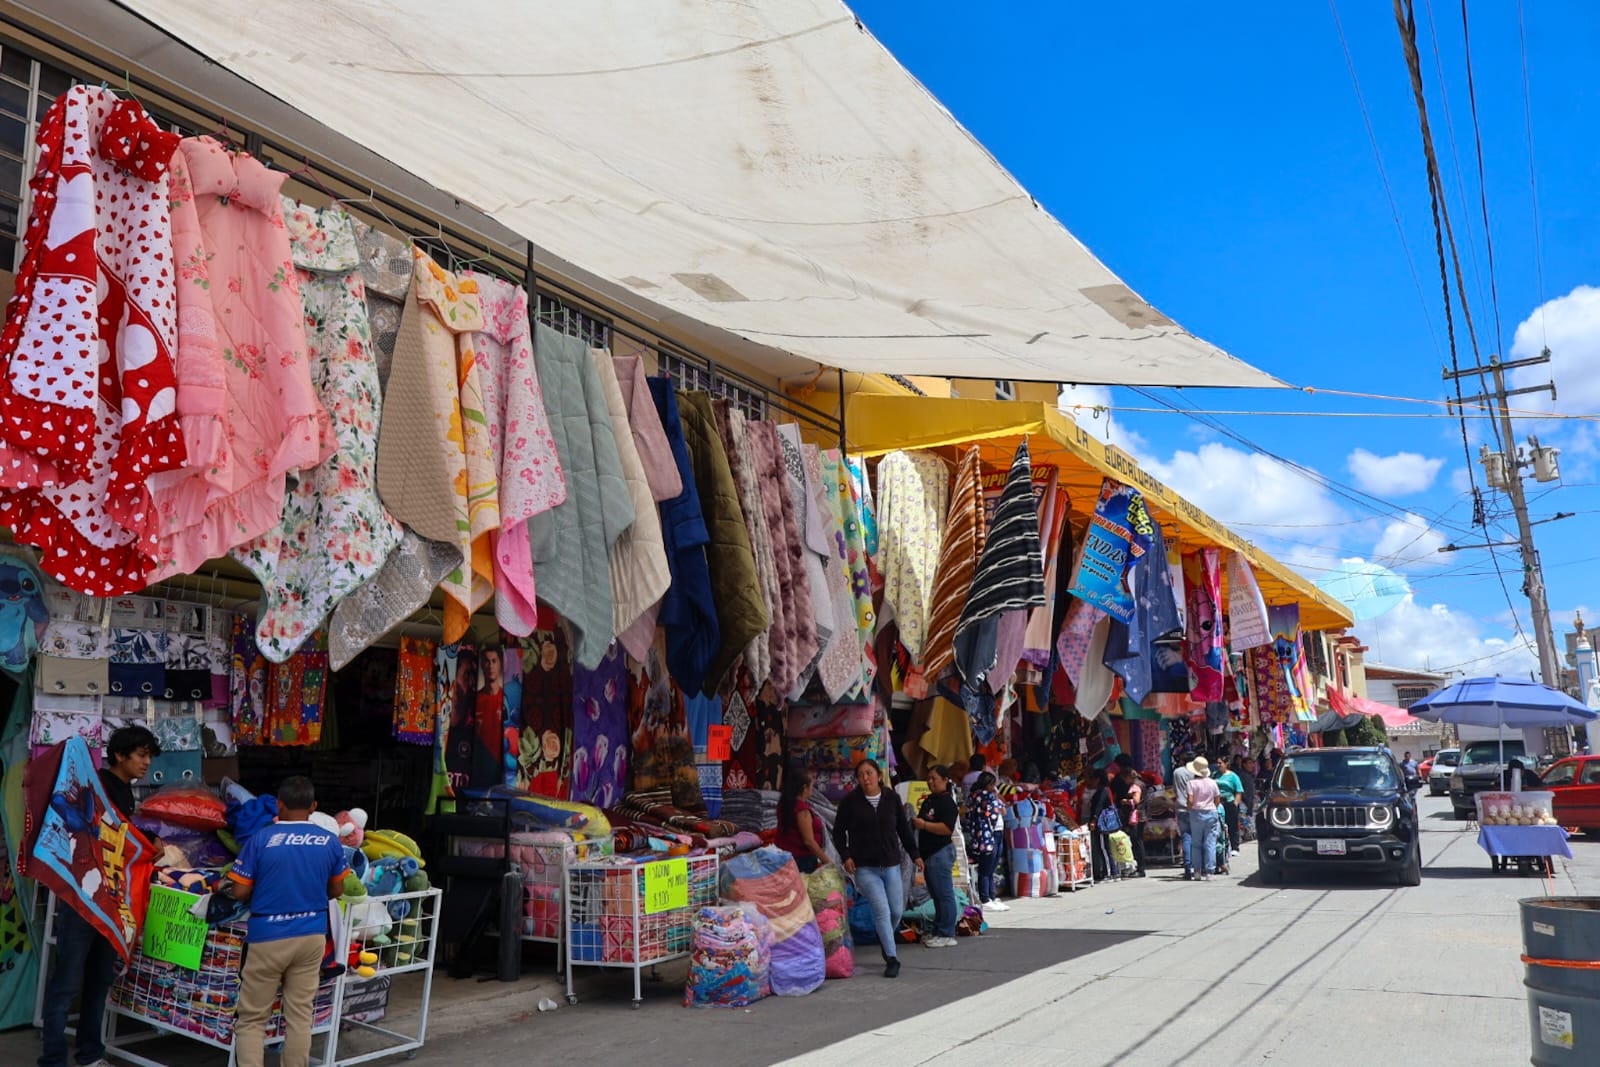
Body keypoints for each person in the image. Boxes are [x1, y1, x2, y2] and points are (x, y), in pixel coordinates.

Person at [39, 725, 161, 1067]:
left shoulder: (122, 792)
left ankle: (90, 1054)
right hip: (83, 900)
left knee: (98, 980)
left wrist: (146, 840)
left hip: (109, 900)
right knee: (67, 982)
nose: (146, 763)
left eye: (149, 756)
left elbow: (122, 838)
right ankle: (52, 1058)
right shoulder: (99, 787)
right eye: (141, 755)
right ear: (120, 755)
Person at [224, 776, 351, 1067]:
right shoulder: (329, 841)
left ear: (278, 804)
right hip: (311, 936)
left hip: (268, 936)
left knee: (253, 1019)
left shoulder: (261, 838)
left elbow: (240, 891)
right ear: (314, 806)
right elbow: (336, 890)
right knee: (299, 1016)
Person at [832, 759, 921, 978]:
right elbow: (838, 832)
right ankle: (891, 958)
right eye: (861, 774)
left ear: (879, 775)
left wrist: (915, 854)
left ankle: (885, 938)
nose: (865, 778)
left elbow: (903, 829)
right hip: (865, 867)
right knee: (881, 911)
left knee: (896, 910)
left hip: (891, 864)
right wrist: (846, 856)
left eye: (869, 773)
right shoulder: (850, 802)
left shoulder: (892, 799)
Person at [911, 766, 961, 948]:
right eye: (928, 778)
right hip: (929, 854)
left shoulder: (947, 802)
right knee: (936, 894)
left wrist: (923, 825)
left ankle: (947, 933)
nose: (930, 782)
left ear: (945, 779)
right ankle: (938, 930)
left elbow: (947, 828)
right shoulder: (931, 800)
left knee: (944, 894)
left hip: (940, 852)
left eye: (934, 778)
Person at [962, 771, 1007, 910]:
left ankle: (991, 896)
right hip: (989, 834)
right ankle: (985, 898)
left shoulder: (975, 795)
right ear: (989, 784)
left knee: (989, 868)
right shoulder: (985, 796)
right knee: (987, 868)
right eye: (993, 785)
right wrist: (996, 795)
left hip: (991, 833)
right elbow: (1002, 811)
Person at [775, 769, 830, 873]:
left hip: (785, 857)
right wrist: (828, 863)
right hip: (801, 861)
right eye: (811, 786)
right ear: (804, 788)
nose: (812, 790)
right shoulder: (801, 810)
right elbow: (809, 842)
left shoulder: (785, 803)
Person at [1187, 757, 1222, 881]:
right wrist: (1211, 806)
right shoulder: (1212, 782)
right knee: (1210, 842)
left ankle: (1197, 871)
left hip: (1196, 813)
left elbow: (1190, 801)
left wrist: (1189, 809)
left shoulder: (1191, 783)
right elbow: (1217, 799)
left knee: (1196, 843)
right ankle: (1210, 872)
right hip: (1211, 812)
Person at [1081, 768, 1116, 882]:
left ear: (1098, 779)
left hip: (1101, 823)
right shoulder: (1103, 790)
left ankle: (1110, 873)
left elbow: (1098, 807)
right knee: (1104, 847)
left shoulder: (1102, 791)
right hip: (1101, 822)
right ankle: (1111, 872)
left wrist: (1093, 820)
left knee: (1103, 848)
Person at [1115, 765, 1147, 877]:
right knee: (1138, 841)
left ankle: (1141, 869)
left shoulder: (1135, 786)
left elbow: (1136, 800)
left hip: (1137, 816)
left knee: (1137, 842)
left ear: (1128, 777)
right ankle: (1140, 867)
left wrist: (1126, 801)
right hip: (1142, 815)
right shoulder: (1141, 783)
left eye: (1125, 779)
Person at [1171, 750, 1197, 879]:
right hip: (1196, 808)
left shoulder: (1177, 772)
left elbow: (1175, 790)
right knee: (1197, 838)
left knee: (1186, 838)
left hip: (1181, 807)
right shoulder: (1197, 773)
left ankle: (1188, 867)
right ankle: (1199, 866)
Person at [1214, 757, 1244, 856]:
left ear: (1226, 764)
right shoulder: (1215, 775)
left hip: (1229, 802)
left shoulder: (1233, 776)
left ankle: (1235, 847)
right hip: (1217, 803)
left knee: (1232, 825)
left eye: (1220, 763)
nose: (1218, 765)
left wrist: (1235, 804)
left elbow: (1239, 791)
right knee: (1219, 825)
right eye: (1217, 763)